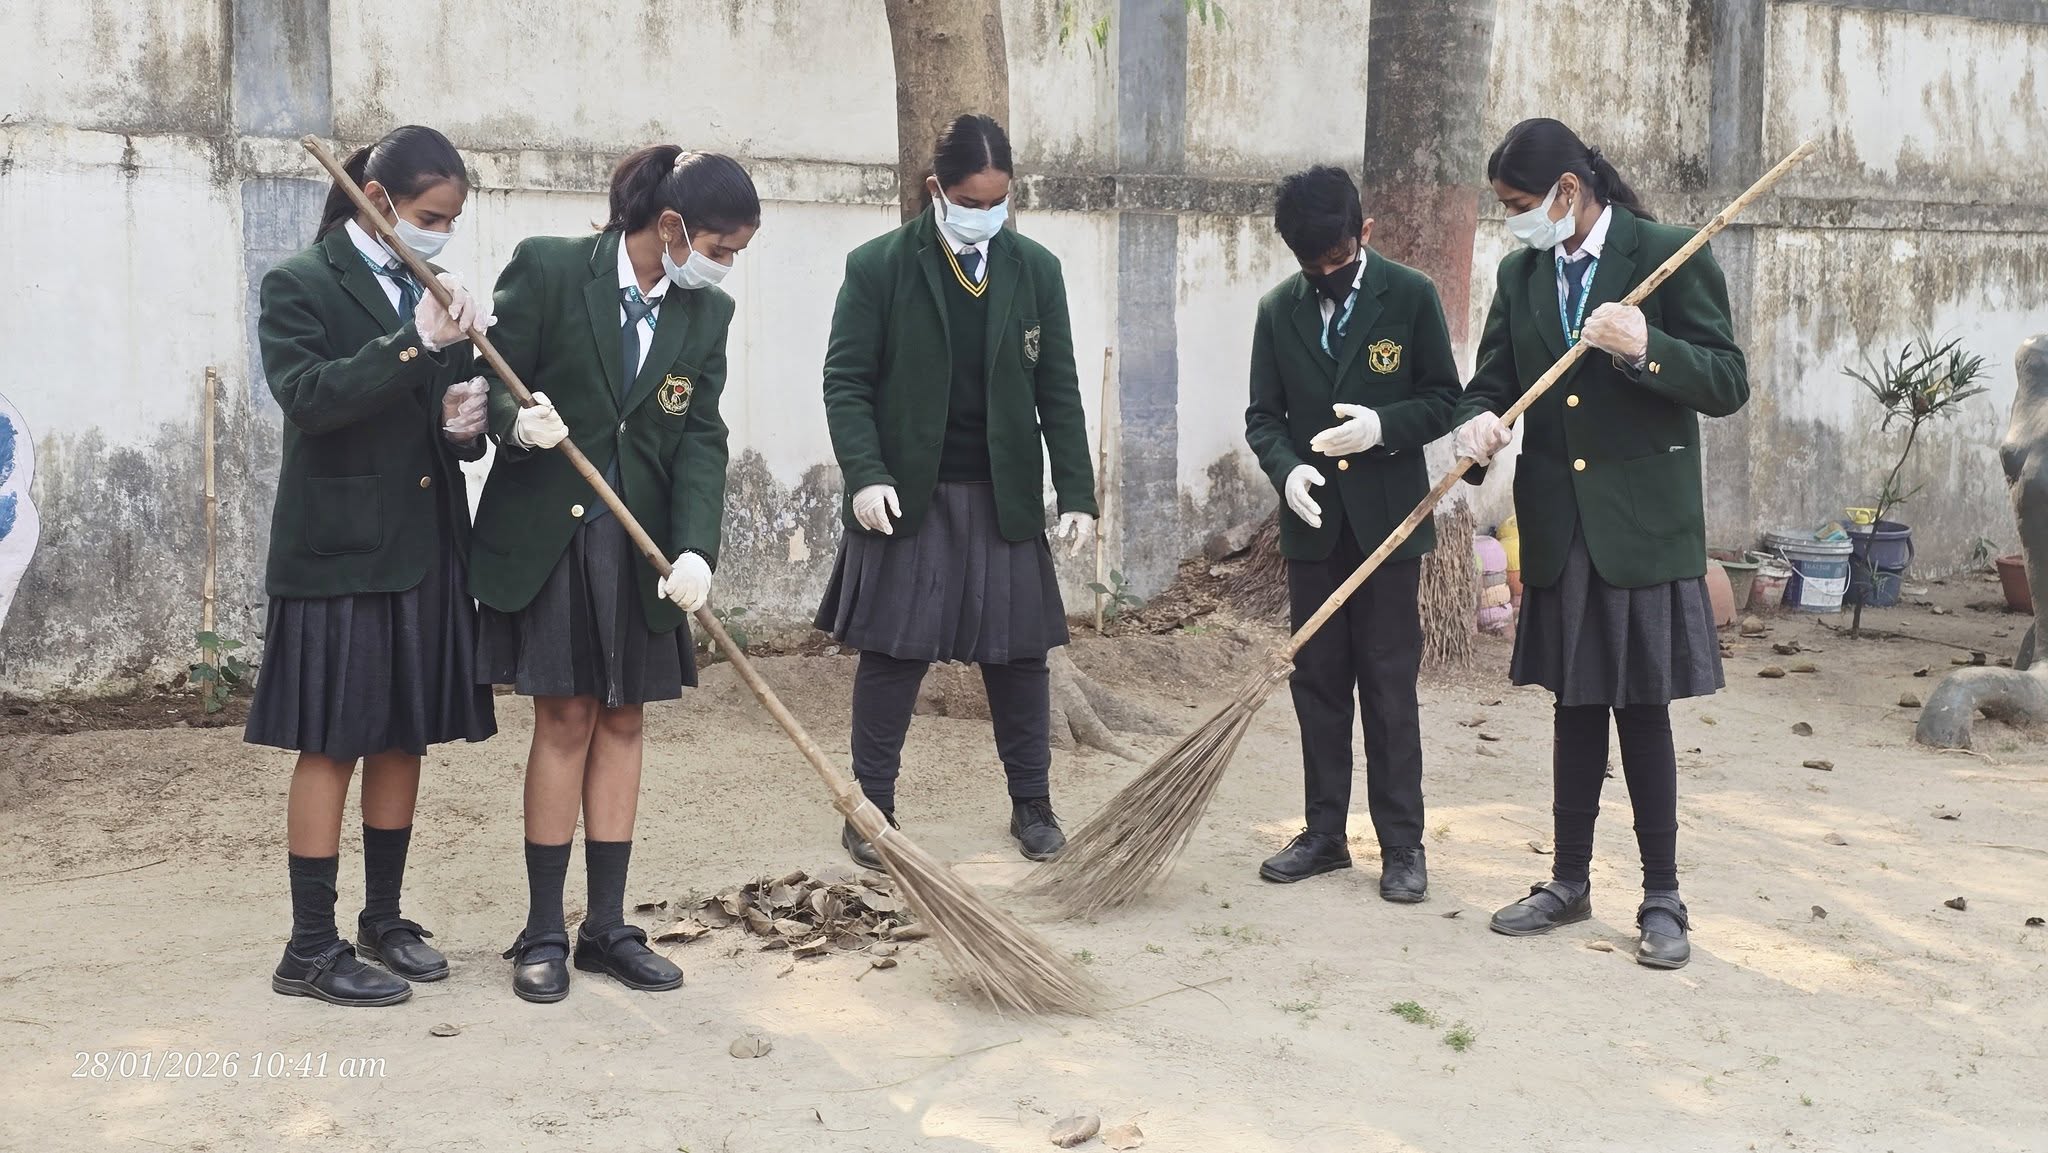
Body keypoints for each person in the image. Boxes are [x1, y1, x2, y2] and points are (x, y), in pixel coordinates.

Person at [1453, 118, 1747, 970]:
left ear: (1569, 191)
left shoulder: (1668, 253)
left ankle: (1663, 897)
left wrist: (1648, 347)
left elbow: (1726, 379)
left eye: (1519, 203)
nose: (1513, 219)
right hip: (1558, 522)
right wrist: (1477, 426)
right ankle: (1568, 880)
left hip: (1640, 523)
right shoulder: (1521, 273)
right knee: (1575, 703)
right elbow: (1492, 382)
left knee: (1641, 708)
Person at [470, 147, 758, 1002]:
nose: (726, 263)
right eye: (721, 246)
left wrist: (697, 548)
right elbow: (488, 379)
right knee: (565, 717)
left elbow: (700, 436)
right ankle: (543, 930)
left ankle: (605, 927)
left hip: (643, 549)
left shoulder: (706, 313)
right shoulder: (552, 269)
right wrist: (514, 425)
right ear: (671, 226)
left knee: (625, 718)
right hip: (555, 539)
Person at [249, 125, 497, 1006]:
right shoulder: (299, 282)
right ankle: (309, 948)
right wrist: (415, 345)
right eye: (432, 215)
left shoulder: (434, 289)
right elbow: (310, 400)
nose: (443, 232)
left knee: (403, 734)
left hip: (426, 545)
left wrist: (464, 425)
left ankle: (382, 917)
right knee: (333, 742)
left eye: (454, 219)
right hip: (340, 553)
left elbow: (436, 424)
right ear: (381, 201)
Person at [817, 113, 1097, 869]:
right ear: (936, 189)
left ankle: (1032, 804)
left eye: (999, 201)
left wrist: (1076, 491)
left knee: (1020, 657)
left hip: (1003, 492)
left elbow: (1059, 388)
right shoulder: (879, 266)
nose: (986, 214)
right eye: (971, 201)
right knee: (893, 654)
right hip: (911, 492)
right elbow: (845, 382)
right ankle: (871, 809)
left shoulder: (1035, 269)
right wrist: (866, 474)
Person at [1243, 166, 1459, 899]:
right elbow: (1263, 417)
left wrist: (1382, 428)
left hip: (1388, 531)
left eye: (1337, 258)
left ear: (1363, 233)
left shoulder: (1411, 295)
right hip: (1314, 530)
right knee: (1319, 682)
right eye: (1313, 265)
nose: (1326, 274)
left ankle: (1402, 845)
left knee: (1389, 685)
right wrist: (1286, 472)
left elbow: (1444, 399)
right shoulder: (1278, 310)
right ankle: (1324, 834)